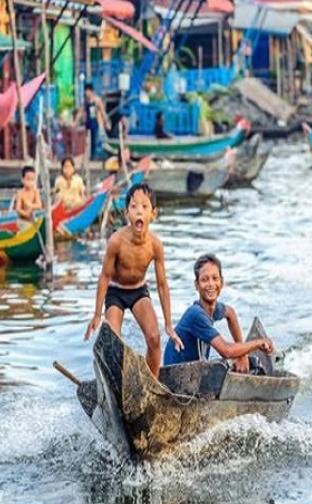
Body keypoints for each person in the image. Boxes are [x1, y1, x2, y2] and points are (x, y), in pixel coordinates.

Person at [84, 183, 183, 377]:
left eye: (145, 207)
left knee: (154, 339)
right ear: (126, 212)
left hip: (138, 292)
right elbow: (104, 276)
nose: (139, 211)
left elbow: (162, 285)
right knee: (112, 342)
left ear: (153, 214)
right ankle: (114, 383)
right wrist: (97, 314)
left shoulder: (155, 245)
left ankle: (150, 384)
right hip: (115, 293)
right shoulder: (116, 241)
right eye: (134, 206)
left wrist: (169, 324)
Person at [163, 254, 274, 373]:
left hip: (194, 372)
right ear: (197, 285)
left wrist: (242, 355)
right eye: (204, 280)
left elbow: (230, 313)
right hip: (176, 377)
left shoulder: (213, 309)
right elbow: (226, 351)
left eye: (215, 278)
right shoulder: (196, 314)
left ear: (222, 282)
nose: (211, 284)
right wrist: (259, 342)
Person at [75, 83, 109, 160]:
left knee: (95, 140)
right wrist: (76, 122)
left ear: (91, 91)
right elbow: (81, 111)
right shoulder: (85, 102)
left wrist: (106, 122)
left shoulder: (97, 100)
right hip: (88, 122)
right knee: (88, 141)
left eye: (87, 91)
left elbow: (102, 111)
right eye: (85, 91)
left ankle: (95, 156)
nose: (86, 93)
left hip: (95, 122)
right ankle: (89, 156)